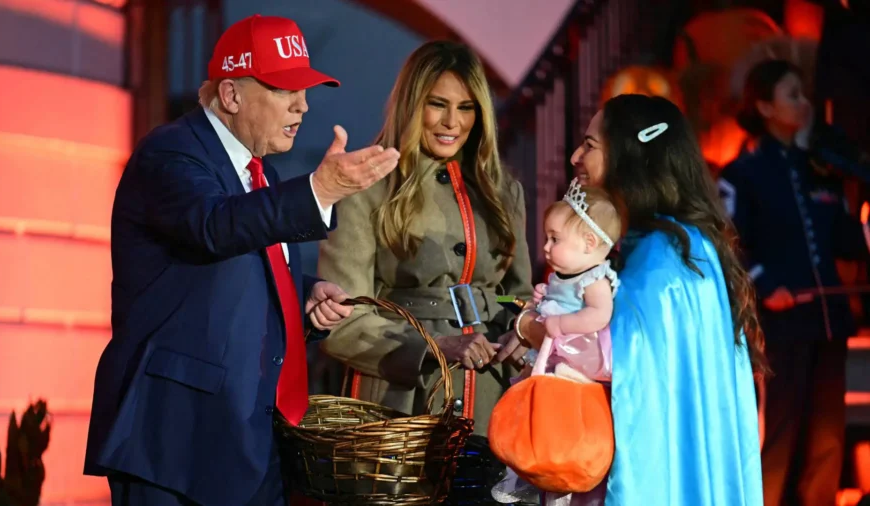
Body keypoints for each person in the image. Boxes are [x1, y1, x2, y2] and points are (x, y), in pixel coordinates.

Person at [83, 15, 399, 506]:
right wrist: (319, 190)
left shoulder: (262, 173)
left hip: (248, 446)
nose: (303, 105)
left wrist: (305, 295)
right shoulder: (170, 153)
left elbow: (242, 267)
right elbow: (214, 226)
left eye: (306, 90)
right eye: (284, 90)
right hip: (174, 448)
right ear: (230, 96)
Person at [516, 94, 767, 505]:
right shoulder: (682, 246)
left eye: (591, 145)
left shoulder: (659, 260)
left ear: (630, 156)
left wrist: (532, 326)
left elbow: (613, 358)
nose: (576, 155)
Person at [317, 40, 533, 436]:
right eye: (438, 104)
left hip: (492, 405)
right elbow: (341, 321)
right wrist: (433, 347)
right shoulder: (366, 186)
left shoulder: (505, 193)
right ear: (411, 105)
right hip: (397, 407)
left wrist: (522, 321)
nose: (453, 122)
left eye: (466, 108)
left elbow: (514, 294)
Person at [719, 59, 868, 506]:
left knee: (827, 437)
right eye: (792, 95)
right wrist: (765, 287)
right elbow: (731, 246)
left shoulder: (820, 169)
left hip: (828, 319)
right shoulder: (740, 174)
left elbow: (847, 245)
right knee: (783, 430)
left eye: (803, 94)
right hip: (783, 323)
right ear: (764, 105)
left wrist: (849, 187)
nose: (804, 104)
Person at [490, 181, 622, 505]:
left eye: (555, 239)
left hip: (574, 370)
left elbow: (598, 316)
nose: (546, 247)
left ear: (589, 242)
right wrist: (541, 300)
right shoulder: (564, 275)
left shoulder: (595, 281)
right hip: (549, 360)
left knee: (559, 427)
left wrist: (560, 323)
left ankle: (557, 475)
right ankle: (527, 470)